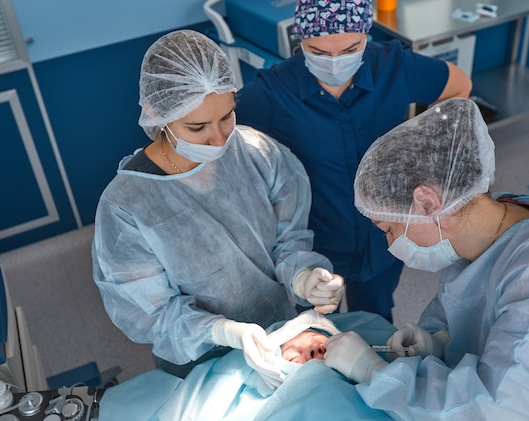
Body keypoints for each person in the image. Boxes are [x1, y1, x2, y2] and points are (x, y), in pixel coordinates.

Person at [323, 98, 529, 421]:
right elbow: (469, 307)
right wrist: (439, 341)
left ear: (428, 203)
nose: (391, 243)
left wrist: (373, 372)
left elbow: (493, 410)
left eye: (389, 229)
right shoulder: (486, 225)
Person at [91, 30, 345, 387]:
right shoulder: (126, 204)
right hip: (198, 359)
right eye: (197, 126)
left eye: (227, 116)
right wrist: (225, 332)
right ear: (158, 115)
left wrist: (303, 277)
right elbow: (155, 314)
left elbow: (288, 240)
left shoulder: (256, 151)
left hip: (280, 334)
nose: (219, 138)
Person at [235, 0, 472, 322]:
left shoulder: (393, 67)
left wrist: (425, 147)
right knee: (311, 331)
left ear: (366, 36)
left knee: (373, 320)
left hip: (384, 234)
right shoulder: (273, 94)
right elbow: (218, 134)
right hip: (316, 241)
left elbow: (459, 85)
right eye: (318, 52)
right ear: (300, 41)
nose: (335, 62)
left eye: (350, 48)